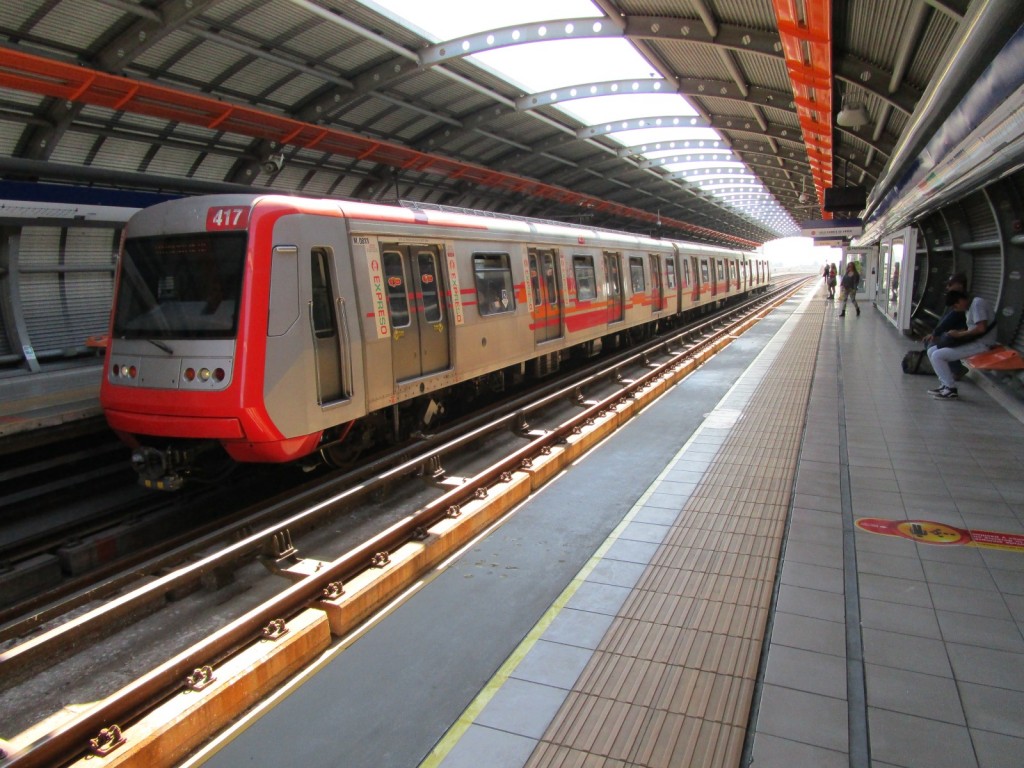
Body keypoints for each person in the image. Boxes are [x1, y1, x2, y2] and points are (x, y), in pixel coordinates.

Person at [926, 289, 998, 399]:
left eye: (955, 306)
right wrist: (958, 333)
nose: (956, 309)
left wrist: (959, 335)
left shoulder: (977, 304)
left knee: (937, 356)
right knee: (931, 350)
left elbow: (981, 328)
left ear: (960, 300)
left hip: (983, 344)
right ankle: (945, 385)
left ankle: (951, 389)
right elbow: (973, 329)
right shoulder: (969, 307)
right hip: (974, 341)